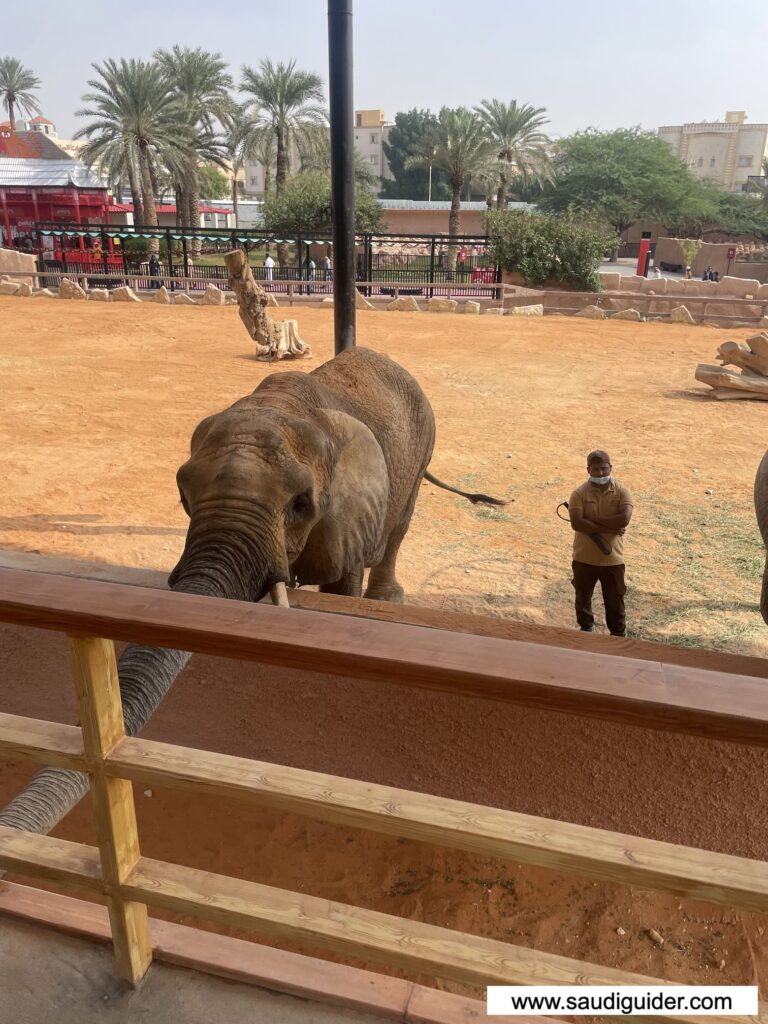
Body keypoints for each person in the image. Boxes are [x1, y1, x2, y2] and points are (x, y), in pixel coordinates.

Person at [568, 450, 633, 637]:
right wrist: (610, 528)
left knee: (615, 601)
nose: (601, 473)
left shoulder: (622, 492)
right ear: (588, 470)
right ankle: (586, 630)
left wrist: (592, 520)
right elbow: (576, 523)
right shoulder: (578, 493)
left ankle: (618, 636)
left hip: (613, 559)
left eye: (604, 468)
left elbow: (623, 520)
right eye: (596, 469)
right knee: (582, 598)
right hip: (583, 558)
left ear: (611, 467)